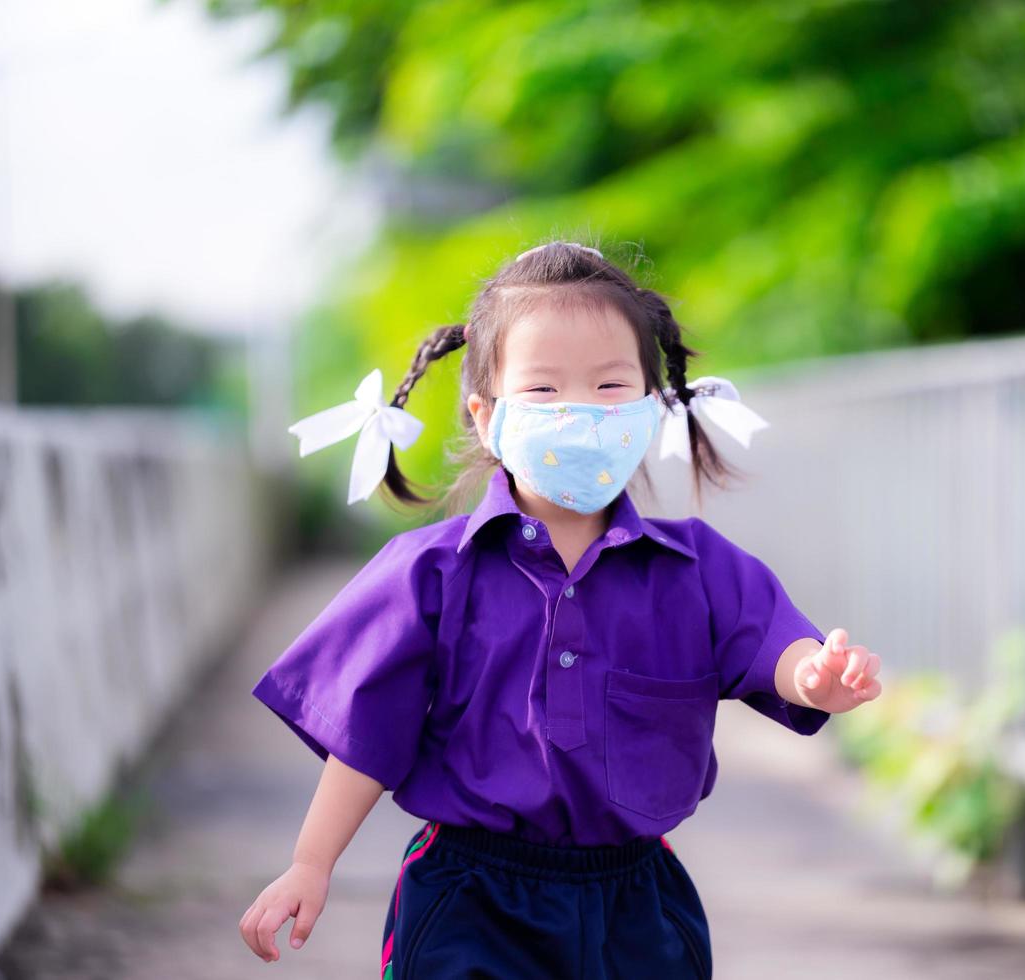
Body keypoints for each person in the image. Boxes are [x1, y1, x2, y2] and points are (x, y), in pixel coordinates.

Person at [238, 238, 884, 978]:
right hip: (470, 902)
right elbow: (365, 736)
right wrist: (310, 864)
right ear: (487, 415)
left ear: (653, 406)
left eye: (610, 388)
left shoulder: (695, 567)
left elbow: (773, 646)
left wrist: (815, 675)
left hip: (638, 907)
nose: (579, 411)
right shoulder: (431, 574)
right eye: (544, 391)